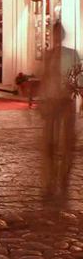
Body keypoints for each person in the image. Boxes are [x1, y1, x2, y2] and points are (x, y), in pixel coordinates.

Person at [40, 23, 78, 199]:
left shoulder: (71, 54)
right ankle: (50, 180)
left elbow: (79, 78)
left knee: (67, 144)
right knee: (49, 145)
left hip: (65, 102)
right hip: (51, 102)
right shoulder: (49, 55)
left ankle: (63, 178)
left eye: (57, 34)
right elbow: (45, 78)